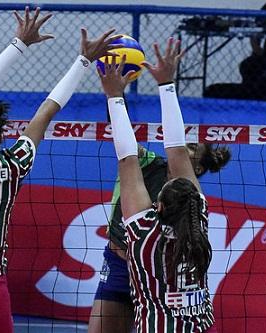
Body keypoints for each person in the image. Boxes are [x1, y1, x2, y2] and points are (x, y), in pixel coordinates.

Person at [0, 6, 123, 333]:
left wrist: (18, 43)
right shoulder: (12, 164)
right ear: (1, 134)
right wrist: (83, 61)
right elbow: (46, 111)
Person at [97, 37, 217, 332]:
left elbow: (129, 156)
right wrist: (166, 85)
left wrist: (115, 95)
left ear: (158, 207)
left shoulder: (143, 235)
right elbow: (175, 150)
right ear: (196, 201)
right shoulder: (198, 224)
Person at [88, 142, 230, 333]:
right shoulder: (149, 163)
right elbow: (126, 146)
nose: (183, 147)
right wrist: (115, 111)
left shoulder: (194, 202)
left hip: (159, 279)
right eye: (185, 142)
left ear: (198, 168)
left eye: (193, 147)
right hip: (120, 267)